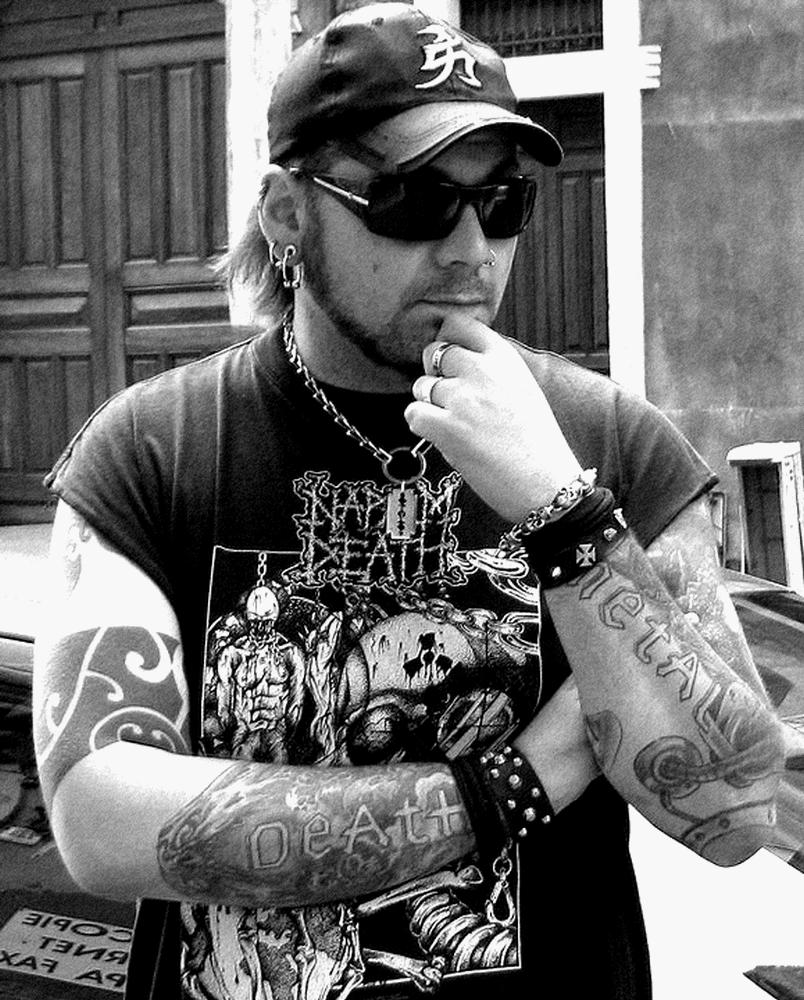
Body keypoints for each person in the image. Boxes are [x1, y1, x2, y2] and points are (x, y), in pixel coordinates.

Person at [34, 4, 785, 999]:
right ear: (288, 213)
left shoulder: (613, 446)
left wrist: (565, 516)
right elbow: (99, 818)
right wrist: (515, 781)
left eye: (504, 201)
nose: (472, 248)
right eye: (415, 198)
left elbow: (734, 813)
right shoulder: (152, 449)